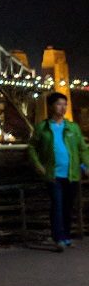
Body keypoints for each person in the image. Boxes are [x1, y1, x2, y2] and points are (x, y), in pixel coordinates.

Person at [28, 92, 89, 251]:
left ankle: (66, 237)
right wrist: (39, 166)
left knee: (68, 207)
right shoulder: (42, 127)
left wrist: (86, 166)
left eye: (65, 104)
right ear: (50, 106)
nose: (63, 108)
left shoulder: (73, 127)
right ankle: (58, 239)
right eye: (59, 104)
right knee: (57, 206)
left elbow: (82, 149)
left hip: (72, 174)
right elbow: (32, 147)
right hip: (53, 174)